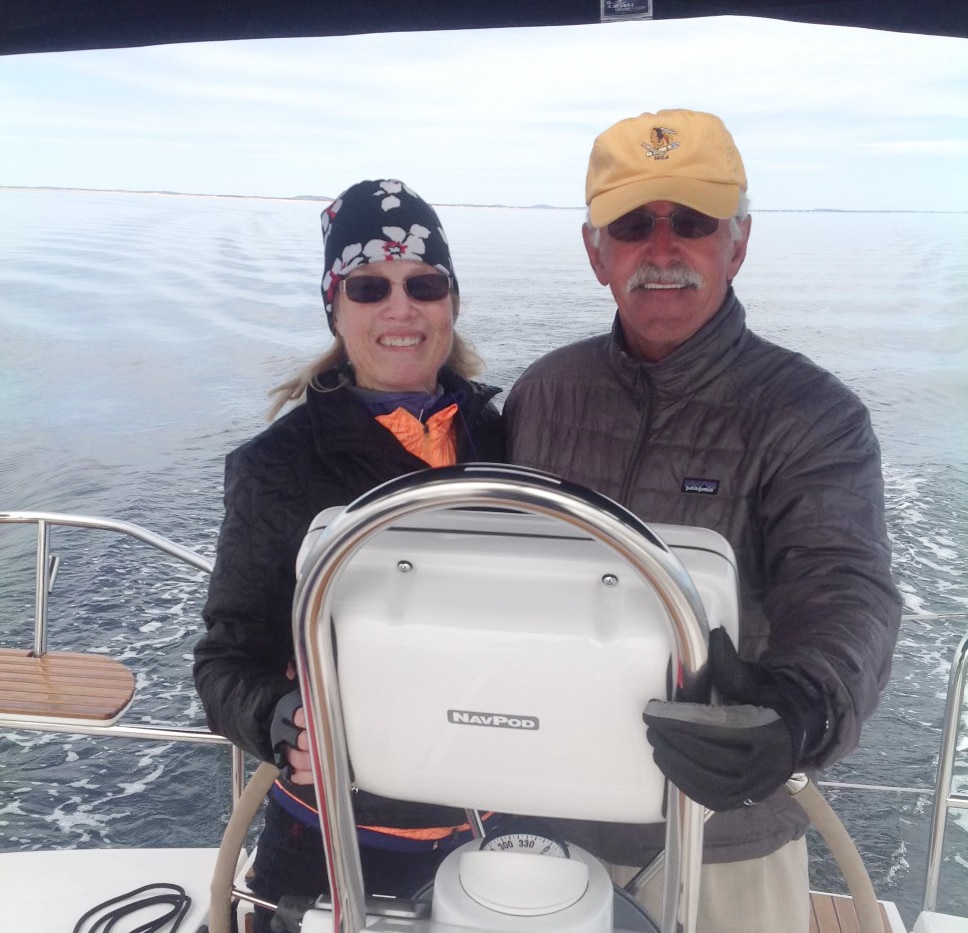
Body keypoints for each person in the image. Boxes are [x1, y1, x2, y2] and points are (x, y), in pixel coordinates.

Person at [504, 109, 901, 932]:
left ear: (738, 242)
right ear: (595, 252)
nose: (661, 250)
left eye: (691, 221)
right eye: (631, 224)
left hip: (729, 835)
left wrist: (800, 709)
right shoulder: (539, 396)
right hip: (539, 824)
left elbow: (845, 587)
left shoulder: (813, 416)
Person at [193, 178, 504, 932]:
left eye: (423, 283)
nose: (400, 307)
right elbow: (223, 662)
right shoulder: (277, 466)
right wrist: (282, 718)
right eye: (369, 286)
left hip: (490, 829)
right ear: (334, 306)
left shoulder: (505, 438)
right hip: (325, 840)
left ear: (451, 303)